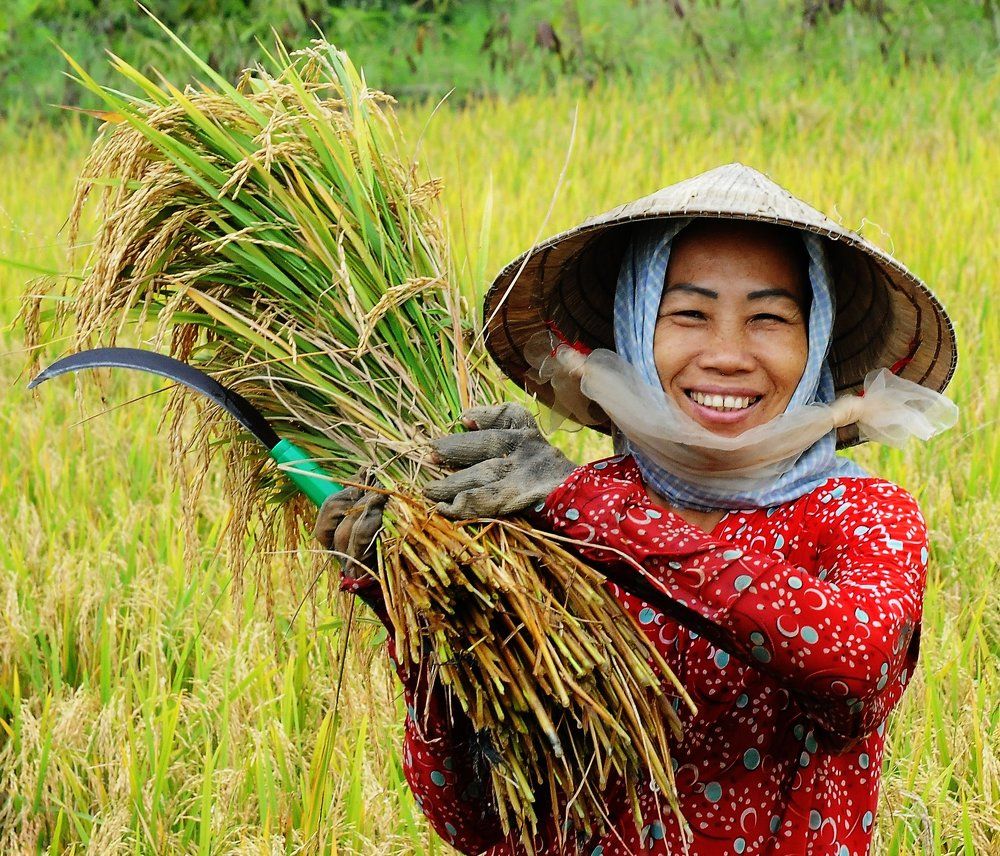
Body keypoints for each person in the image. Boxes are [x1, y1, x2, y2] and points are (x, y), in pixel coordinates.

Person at [313, 163, 958, 855]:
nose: (728, 354)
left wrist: (582, 503)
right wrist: (415, 611)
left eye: (769, 318)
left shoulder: (861, 514)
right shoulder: (540, 524)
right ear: (634, 327)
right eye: (688, 314)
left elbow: (854, 664)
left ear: (816, 340)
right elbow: (475, 820)